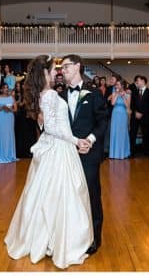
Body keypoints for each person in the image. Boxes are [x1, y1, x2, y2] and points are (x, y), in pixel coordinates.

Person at [5, 55, 93, 269]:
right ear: (44, 72)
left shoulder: (43, 94)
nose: (58, 72)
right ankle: (58, 241)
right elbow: (54, 128)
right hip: (60, 148)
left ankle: (41, 237)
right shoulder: (51, 94)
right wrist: (76, 140)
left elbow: (46, 126)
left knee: (45, 194)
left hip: (51, 146)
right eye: (54, 69)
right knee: (61, 195)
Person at [57, 54, 107, 254]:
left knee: (91, 195)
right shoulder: (58, 96)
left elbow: (103, 121)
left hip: (89, 153)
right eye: (61, 67)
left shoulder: (94, 94)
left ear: (78, 66)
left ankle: (94, 238)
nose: (62, 70)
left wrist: (90, 140)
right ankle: (72, 235)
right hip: (65, 154)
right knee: (68, 196)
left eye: (66, 66)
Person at [0, 83, 17, 163]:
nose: (6, 89)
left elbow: (15, 110)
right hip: (1, 118)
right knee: (1, 135)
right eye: (4, 88)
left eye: (7, 88)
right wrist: (2, 108)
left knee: (9, 135)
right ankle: (0, 155)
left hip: (9, 118)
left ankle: (10, 155)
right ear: (1, 90)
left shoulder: (12, 98)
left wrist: (9, 109)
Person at [108, 79, 131, 159]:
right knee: (114, 132)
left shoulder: (127, 94)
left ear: (122, 85)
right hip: (115, 114)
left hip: (123, 114)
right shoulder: (114, 93)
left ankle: (122, 153)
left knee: (122, 132)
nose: (116, 86)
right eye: (116, 84)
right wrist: (117, 94)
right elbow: (113, 103)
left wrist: (124, 96)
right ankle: (114, 154)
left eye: (118, 84)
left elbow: (127, 106)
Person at [130, 74, 149, 156]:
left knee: (146, 135)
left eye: (138, 81)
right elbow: (132, 104)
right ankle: (132, 152)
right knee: (133, 134)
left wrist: (142, 113)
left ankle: (147, 152)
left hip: (145, 117)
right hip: (135, 116)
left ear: (143, 81)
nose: (136, 82)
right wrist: (136, 112)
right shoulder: (134, 92)